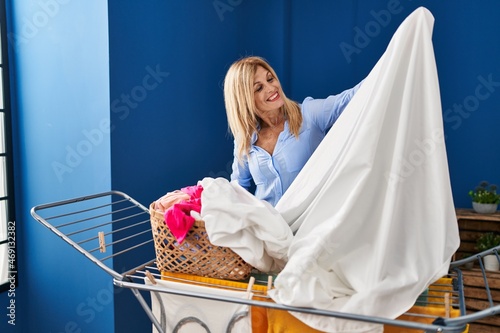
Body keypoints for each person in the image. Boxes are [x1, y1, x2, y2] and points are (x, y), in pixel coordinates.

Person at [224, 56, 362, 206]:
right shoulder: (244, 139)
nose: (271, 88)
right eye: (259, 88)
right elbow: (237, 189)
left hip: (309, 223)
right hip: (268, 226)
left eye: (270, 79)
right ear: (244, 99)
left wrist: (390, 62)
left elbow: (351, 97)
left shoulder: (309, 114)